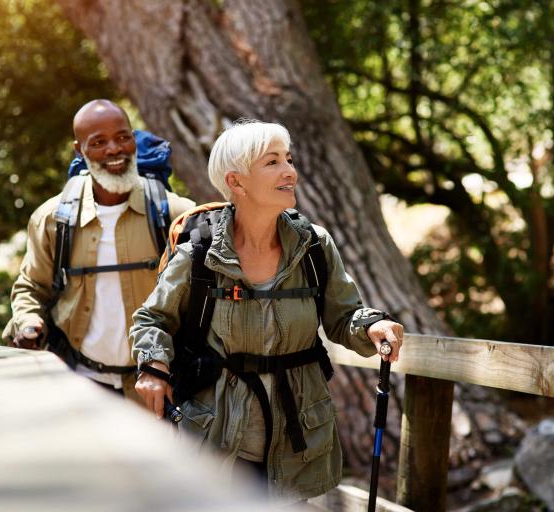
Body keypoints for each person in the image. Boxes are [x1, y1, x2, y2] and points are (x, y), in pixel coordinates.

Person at [129, 120, 404, 500]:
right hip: (220, 435)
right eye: (272, 162)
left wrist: (371, 327)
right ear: (237, 182)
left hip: (297, 438)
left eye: (288, 159)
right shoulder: (200, 253)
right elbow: (153, 318)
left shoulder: (313, 245)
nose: (289, 170)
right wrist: (153, 366)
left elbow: (343, 317)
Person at [3, 99, 195, 398]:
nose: (114, 149)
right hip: (80, 384)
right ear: (79, 150)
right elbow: (31, 287)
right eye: (99, 142)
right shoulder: (53, 219)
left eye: (122, 138)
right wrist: (29, 322)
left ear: (133, 139)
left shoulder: (176, 215)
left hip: (157, 388)